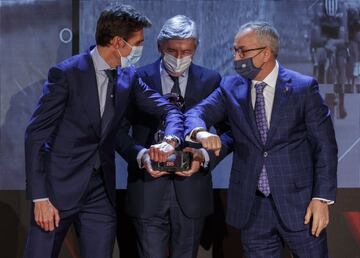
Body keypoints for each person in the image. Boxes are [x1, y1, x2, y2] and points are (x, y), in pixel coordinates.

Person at [23, 5, 183, 258]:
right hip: (57, 190)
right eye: (138, 42)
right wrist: (40, 197)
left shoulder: (127, 76)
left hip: (100, 193)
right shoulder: (67, 74)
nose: (141, 49)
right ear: (119, 42)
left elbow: (169, 111)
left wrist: (171, 140)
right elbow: (35, 135)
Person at [184, 21, 338, 257]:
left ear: (266, 53)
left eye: (242, 51)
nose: (237, 57)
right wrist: (200, 132)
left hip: (301, 205)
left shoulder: (302, 88)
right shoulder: (230, 87)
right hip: (253, 208)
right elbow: (197, 113)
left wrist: (322, 198)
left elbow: (325, 147)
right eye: (234, 50)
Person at [116, 15, 227, 258]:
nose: (178, 58)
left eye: (186, 51)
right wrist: (140, 155)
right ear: (159, 47)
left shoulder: (211, 80)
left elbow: (228, 133)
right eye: (172, 51)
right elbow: (118, 131)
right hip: (147, 188)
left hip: (192, 191)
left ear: (195, 48)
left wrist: (204, 157)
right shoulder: (137, 79)